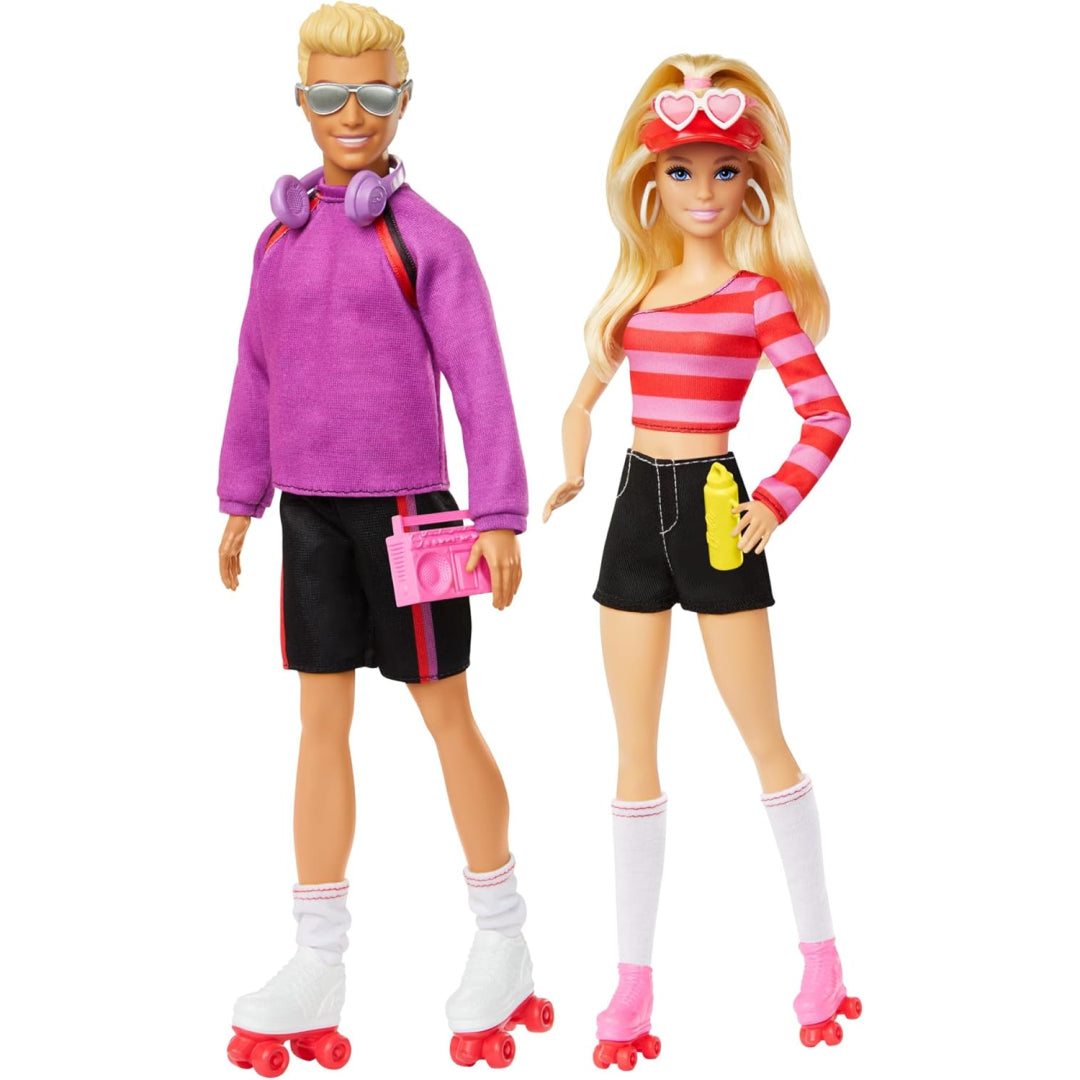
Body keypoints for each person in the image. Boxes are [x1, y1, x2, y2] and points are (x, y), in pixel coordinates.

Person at [218, 4, 547, 1070]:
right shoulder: (278, 239)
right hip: (309, 512)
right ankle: (317, 954)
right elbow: (254, 371)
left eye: (371, 94)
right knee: (319, 721)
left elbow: (480, 380)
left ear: (404, 100)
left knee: (445, 711)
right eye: (328, 94)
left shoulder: (426, 238)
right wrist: (240, 497)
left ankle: (502, 934)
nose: (349, 114)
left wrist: (499, 515)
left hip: (413, 513)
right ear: (300, 99)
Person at [543, 54, 860, 1066]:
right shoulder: (635, 290)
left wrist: (773, 502)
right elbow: (582, 397)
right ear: (651, 180)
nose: (704, 192)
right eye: (682, 171)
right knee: (633, 751)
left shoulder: (759, 298)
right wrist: (572, 467)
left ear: (753, 181)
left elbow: (827, 415)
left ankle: (822, 956)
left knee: (765, 740)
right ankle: (631, 982)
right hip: (635, 506)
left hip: (721, 510)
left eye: (724, 172)